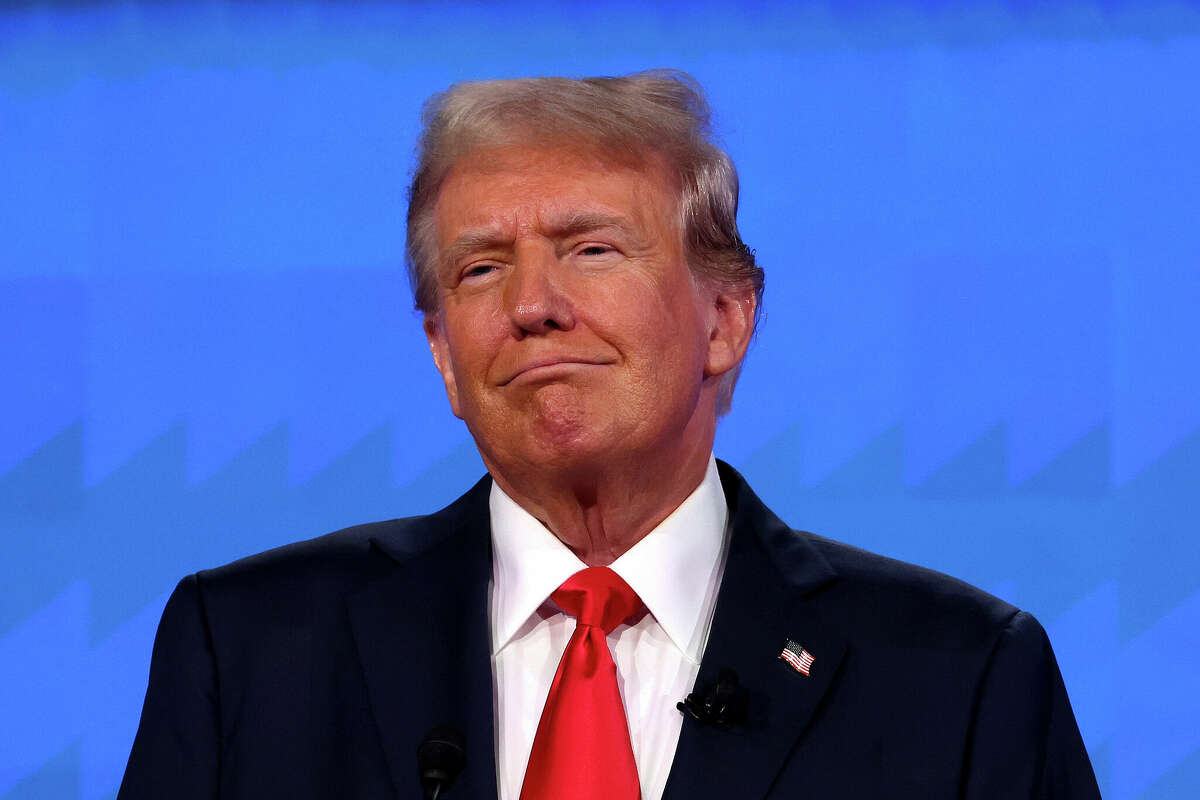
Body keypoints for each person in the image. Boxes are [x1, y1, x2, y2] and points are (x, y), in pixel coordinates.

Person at [118, 71, 1101, 800]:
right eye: (479, 268)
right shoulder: (247, 652)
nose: (534, 304)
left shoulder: (962, 678)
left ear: (726, 319)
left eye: (591, 249)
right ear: (443, 355)